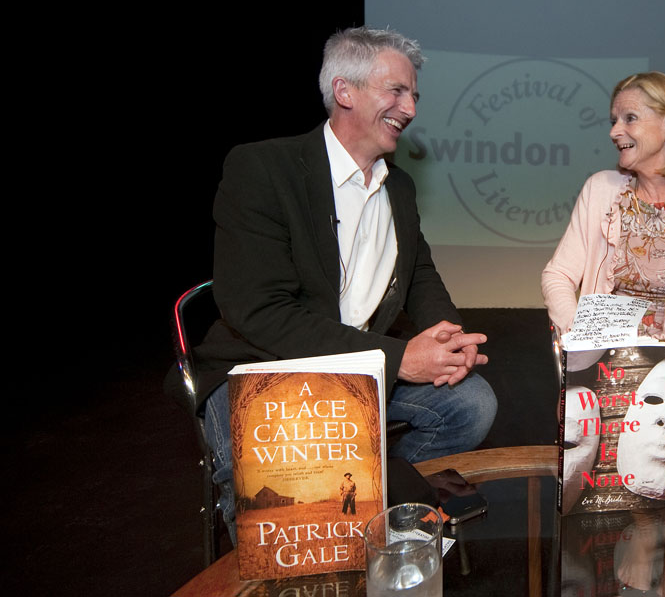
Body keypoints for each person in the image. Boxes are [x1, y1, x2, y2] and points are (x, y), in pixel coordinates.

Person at [193, 27, 497, 543]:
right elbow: (259, 312)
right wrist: (400, 358)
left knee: (472, 404)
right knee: (282, 519)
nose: (411, 109)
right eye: (396, 91)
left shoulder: (398, 186)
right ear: (344, 91)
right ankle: (330, 533)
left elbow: (419, 273)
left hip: (357, 368)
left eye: (414, 95)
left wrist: (448, 337)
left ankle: (381, 518)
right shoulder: (263, 168)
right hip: (265, 369)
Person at [541, 71, 665, 438]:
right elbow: (558, 275)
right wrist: (581, 338)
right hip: (606, 350)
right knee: (581, 418)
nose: (614, 131)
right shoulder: (600, 189)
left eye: (630, 118)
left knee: (638, 413)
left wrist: (658, 357)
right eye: (613, 120)